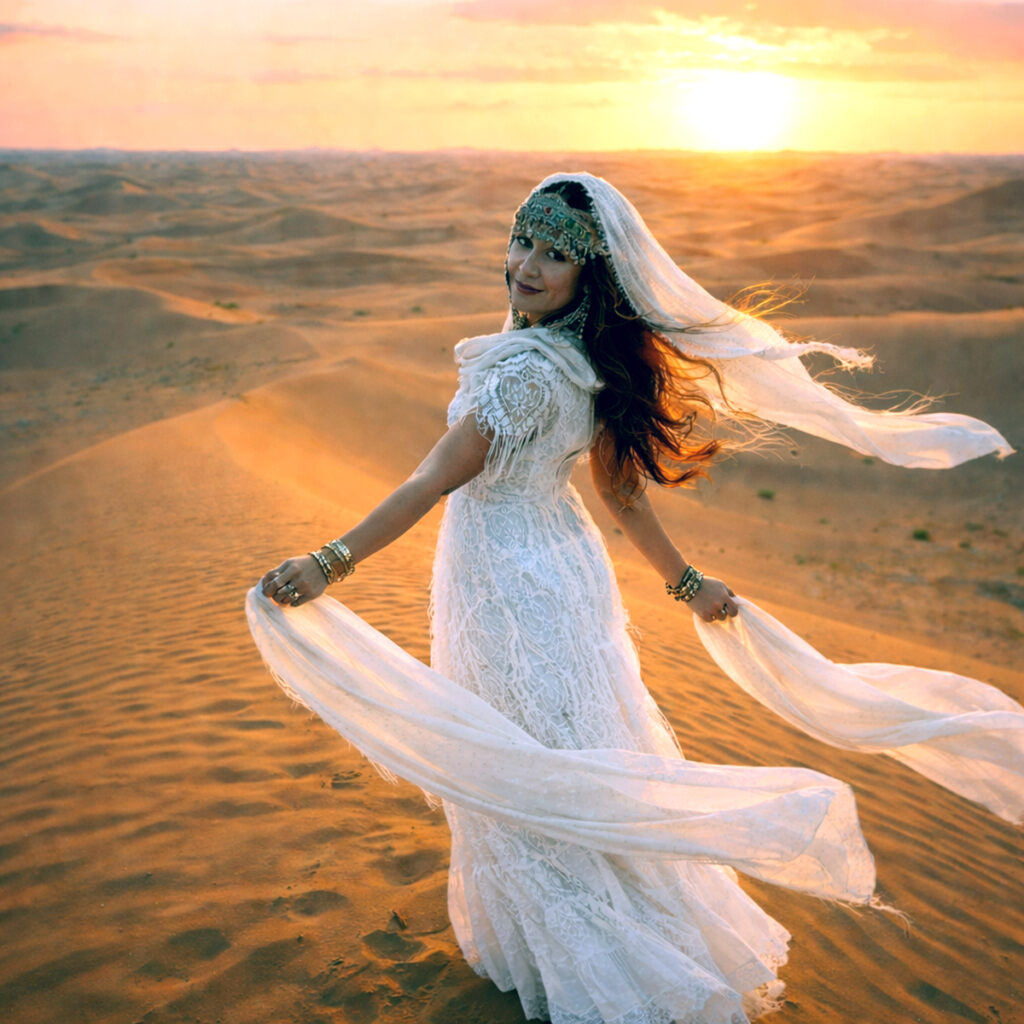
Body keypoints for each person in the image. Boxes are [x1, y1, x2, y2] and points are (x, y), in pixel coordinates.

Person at [251, 173, 1018, 1024]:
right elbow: (620, 497)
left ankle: (601, 962)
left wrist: (332, 561)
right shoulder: (580, 364)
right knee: (565, 747)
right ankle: (596, 930)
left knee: (532, 760)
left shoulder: (531, 379)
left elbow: (434, 477)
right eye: (523, 242)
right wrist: (687, 585)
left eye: (556, 254)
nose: (527, 266)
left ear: (593, 277)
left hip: (508, 584)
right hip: (558, 574)